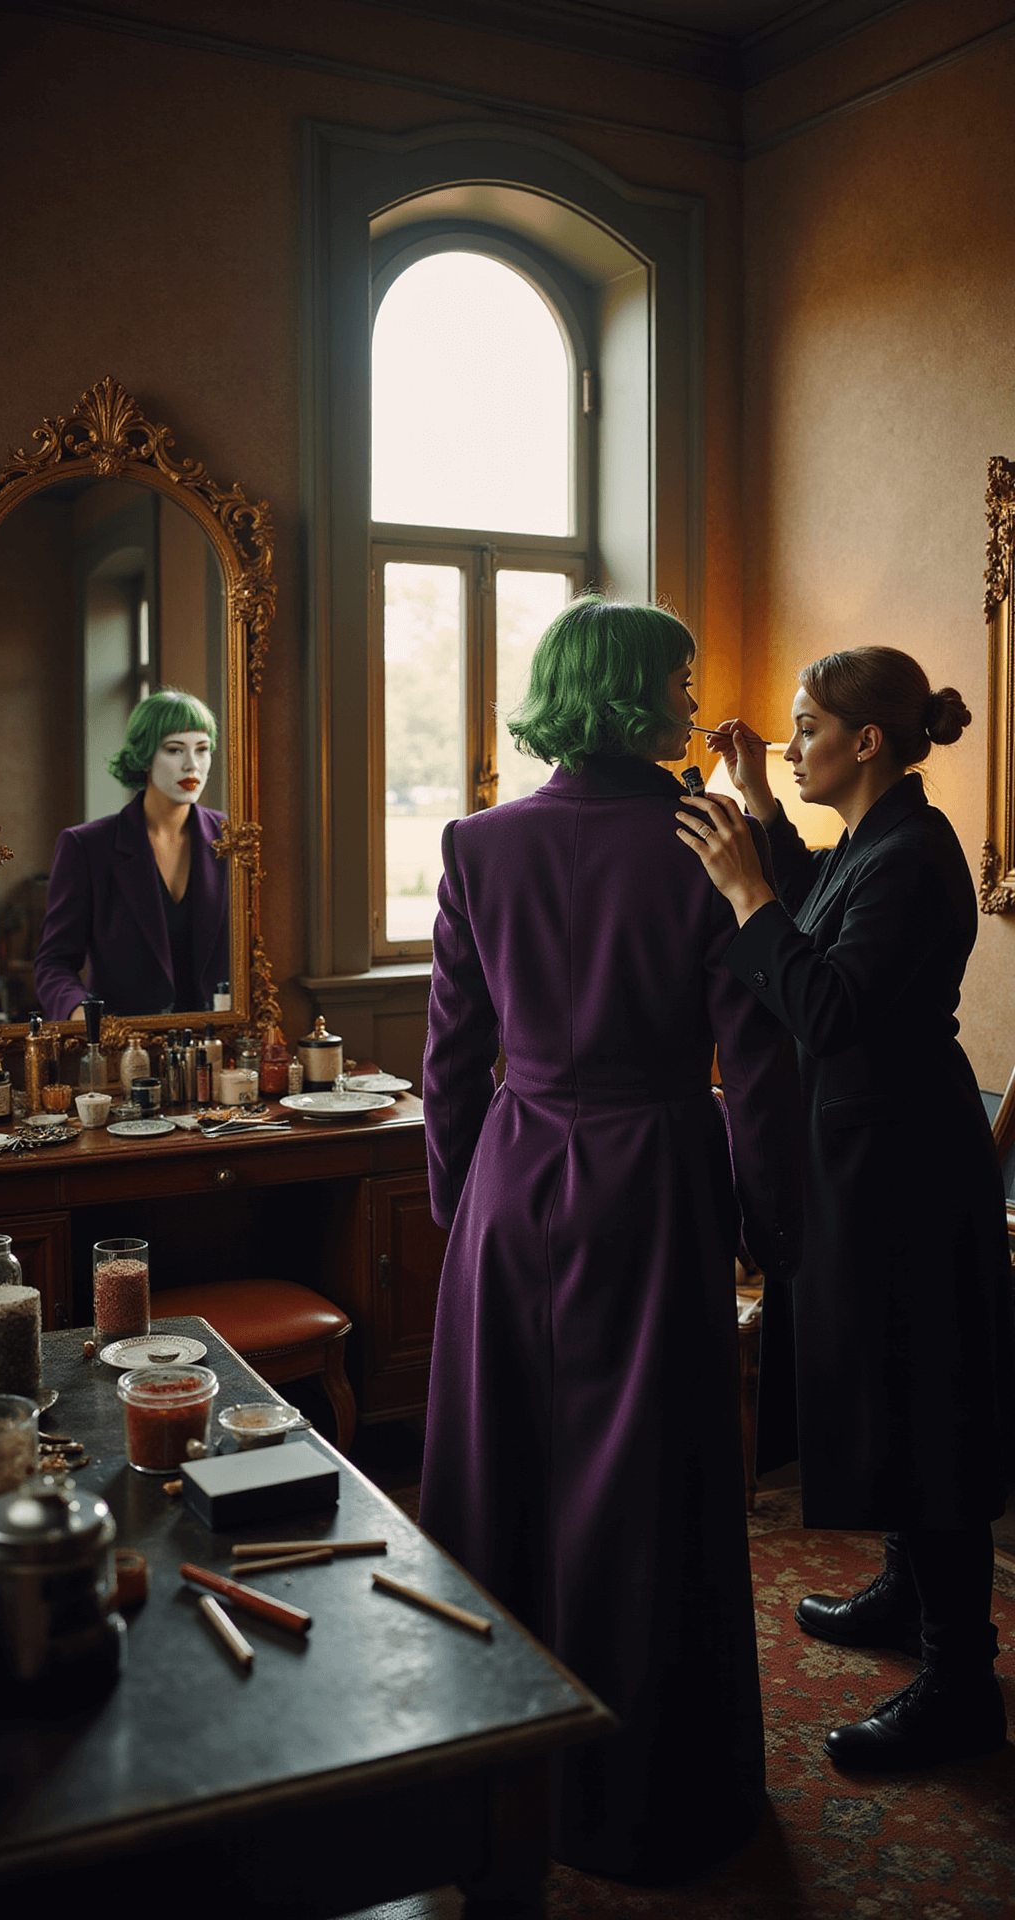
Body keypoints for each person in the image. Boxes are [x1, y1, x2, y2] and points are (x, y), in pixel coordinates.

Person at [419, 596, 802, 1884]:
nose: (697, 702)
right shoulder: (710, 845)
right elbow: (752, 1064)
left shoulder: (477, 845)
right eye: (683, 682)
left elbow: (450, 1063)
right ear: (636, 695)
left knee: (505, 1469)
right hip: (654, 1182)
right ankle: (647, 1796)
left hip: (513, 1180)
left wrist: (458, 1205)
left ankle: (489, 1777)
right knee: (645, 1488)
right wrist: (766, 1225)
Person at [675, 645, 1015, 1773]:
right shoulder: (876, 843)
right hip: (868, 1158)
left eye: (804, 728)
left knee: (926, 1407)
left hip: (910, 1169)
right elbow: (815, 910)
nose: (788, 741)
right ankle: (905, 1593)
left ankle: (960, 1680)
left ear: (865, 741)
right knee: (887, 1386)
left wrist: (740, 890)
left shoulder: (914, 861)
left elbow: (819, 1003)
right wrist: (762, 814)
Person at [34, 688, 228, 1019]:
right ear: (145, 755)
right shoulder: (86, 847)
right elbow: (54, 963)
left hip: (219, 1045)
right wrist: (80, 1013)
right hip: (123, 1048)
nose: (191, 765)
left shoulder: (231, 838)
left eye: (202, 749)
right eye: (174, 750)